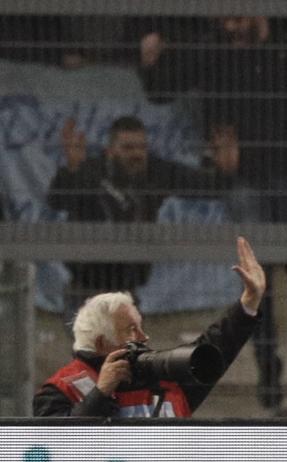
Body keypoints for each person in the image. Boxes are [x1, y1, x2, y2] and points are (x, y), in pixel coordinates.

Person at [138, 16, 287, 411]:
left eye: (238, 18)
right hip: (245, 178)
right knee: (258, 281)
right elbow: (163, 89)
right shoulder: (216, 48)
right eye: (225, 18)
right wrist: (149, 62)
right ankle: (269, 370)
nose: (230, 26)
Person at [33, 236, 265, 417]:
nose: (144, 337)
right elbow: (55, 456)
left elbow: (216, 347)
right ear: (103, 343)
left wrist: (248, 302)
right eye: (131, 330)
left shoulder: (165, 379)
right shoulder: (59, 391)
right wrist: (101, 393)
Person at [48, 115, 238, 320]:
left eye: (141, 147)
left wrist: (224, 169)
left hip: (127, 289)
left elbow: (206, 187)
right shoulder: (91, 170)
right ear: (111, 150)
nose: (137, 154)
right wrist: (73, 169)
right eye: (128, 148)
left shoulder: (156, 172)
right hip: (85, 287)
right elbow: (56, 200)